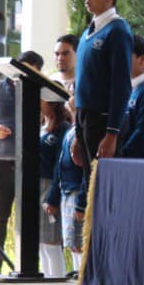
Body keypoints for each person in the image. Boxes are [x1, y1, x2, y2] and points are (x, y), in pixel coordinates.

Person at [0, 49, 43, 274]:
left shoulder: (41, 92)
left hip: (30, 163)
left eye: (30, 72)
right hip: (2, 161)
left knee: (29, 216)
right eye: (21, 69)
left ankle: (27, 265)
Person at [73, 0, 135, 167]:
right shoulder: (87, 32)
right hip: (84, 118)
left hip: (102, 120)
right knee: (88, 183)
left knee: (101, 184)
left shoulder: (117, 30)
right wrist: (77, 132)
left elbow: (121, 84)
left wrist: (112, 133)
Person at [44, 101, 89, 271]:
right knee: (71, 243)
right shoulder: (70, 130)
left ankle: (81, 277)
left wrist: (82, 202)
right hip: (66, 191)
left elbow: (87, 168)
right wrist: (53, 198)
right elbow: (59, 166)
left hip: (77, 191)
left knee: (79, 242)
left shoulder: (84, 131)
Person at [37, 98, 69, 278]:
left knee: (51, 241)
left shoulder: (63, 129)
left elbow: (59, 164)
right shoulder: (41, 124)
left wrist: (53, 196)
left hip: (50, 185)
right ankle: (47, 278)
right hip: (37, 183)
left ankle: (56, 279)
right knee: (41, 242)